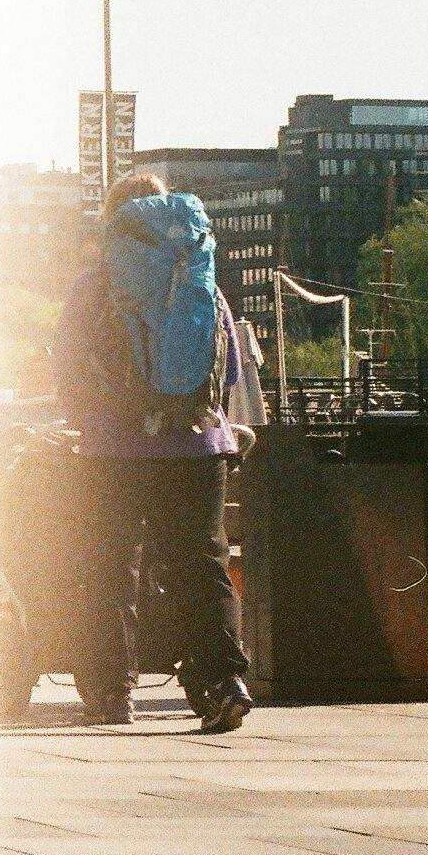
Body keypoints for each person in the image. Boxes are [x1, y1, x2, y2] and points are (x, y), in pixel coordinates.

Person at [55, 171, 255, 733]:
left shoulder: (95, 286)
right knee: (201, 563)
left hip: (114, 448)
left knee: (108, 569)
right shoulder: (201, 278)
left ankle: (110, 695)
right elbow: (229, 371)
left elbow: (68, 368)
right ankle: (222, 680)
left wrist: (89, 418)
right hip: (200, 445)